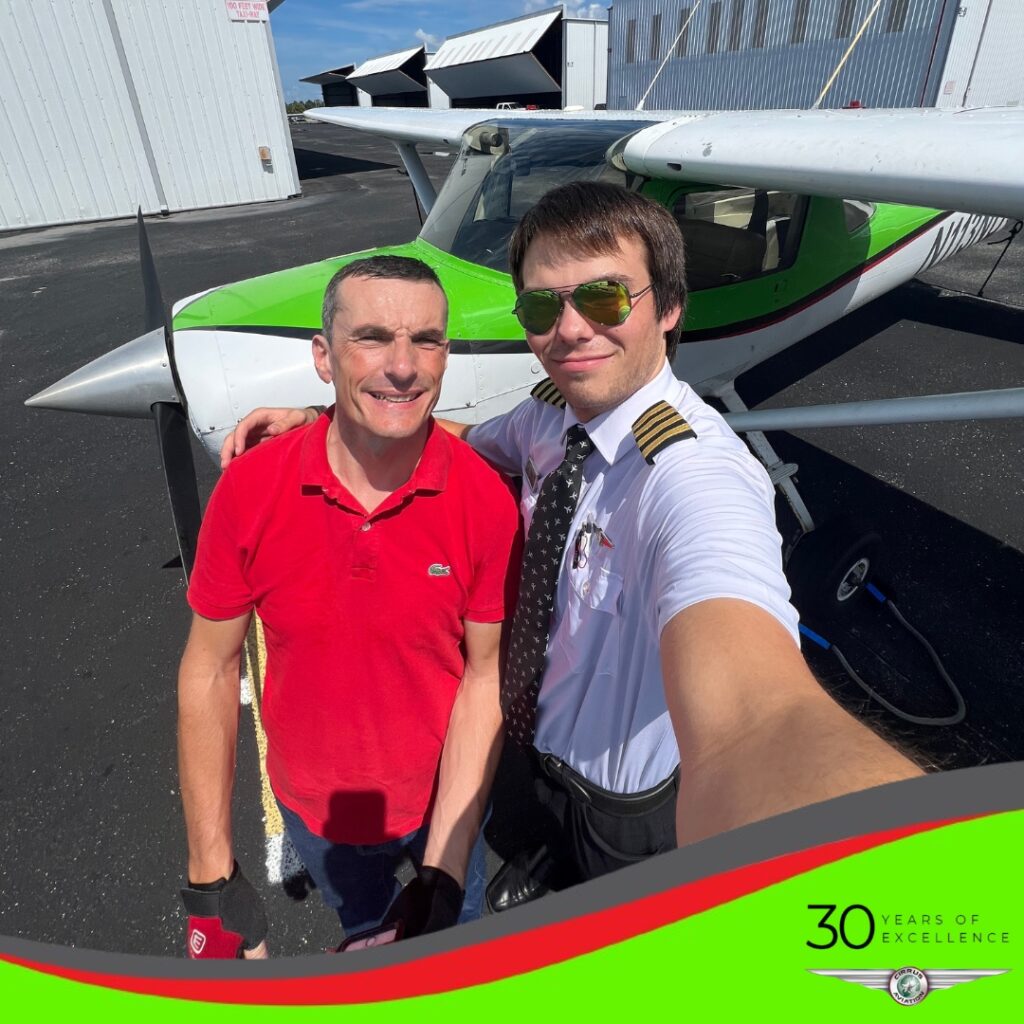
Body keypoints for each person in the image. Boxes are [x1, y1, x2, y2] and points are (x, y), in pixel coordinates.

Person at [221, 183, 920, 913]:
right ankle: (546, 858)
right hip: (540, 741)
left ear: (669, 307)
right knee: (545, 835)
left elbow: (758, 713)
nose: (572, 330)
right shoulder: (551, 416)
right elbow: (464, 440)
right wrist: (331, 417)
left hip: (622, 802)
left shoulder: (694, 476)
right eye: (542, 308)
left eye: (605, 298)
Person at [177, 255, 522, 957]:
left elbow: (485, 676)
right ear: (322, 356)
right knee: (363, 934)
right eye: (371, 338)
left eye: (426, 340)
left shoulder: (485, 499)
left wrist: (444, 872)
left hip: (444, 806)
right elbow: (209, 669)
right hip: (316, 810)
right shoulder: (250, 490)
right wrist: (212, 878)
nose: (404, 366)